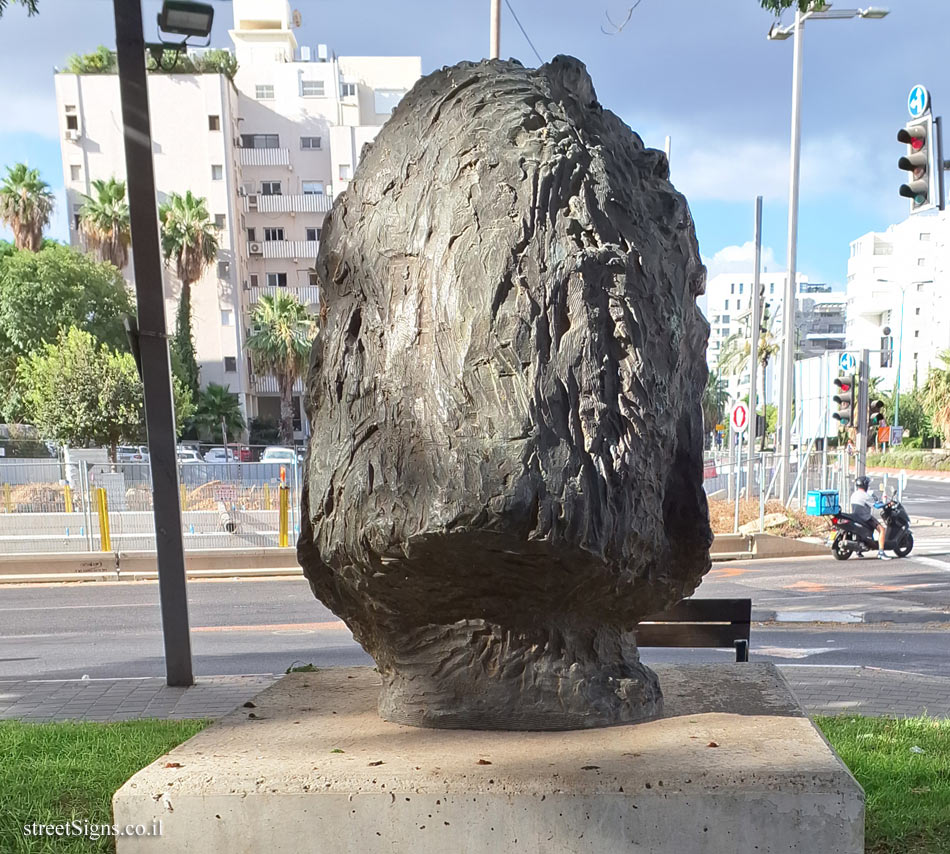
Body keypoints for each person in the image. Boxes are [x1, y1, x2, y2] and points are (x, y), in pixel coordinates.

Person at [849, 475, 887, 559]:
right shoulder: (865, 496)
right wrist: (886, 504)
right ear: (865, 485)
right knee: (882, 529)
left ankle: (859, 551)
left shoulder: (854, 494)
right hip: (865, 518)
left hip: (855, 517)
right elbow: (876, 506)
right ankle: (881, 552)